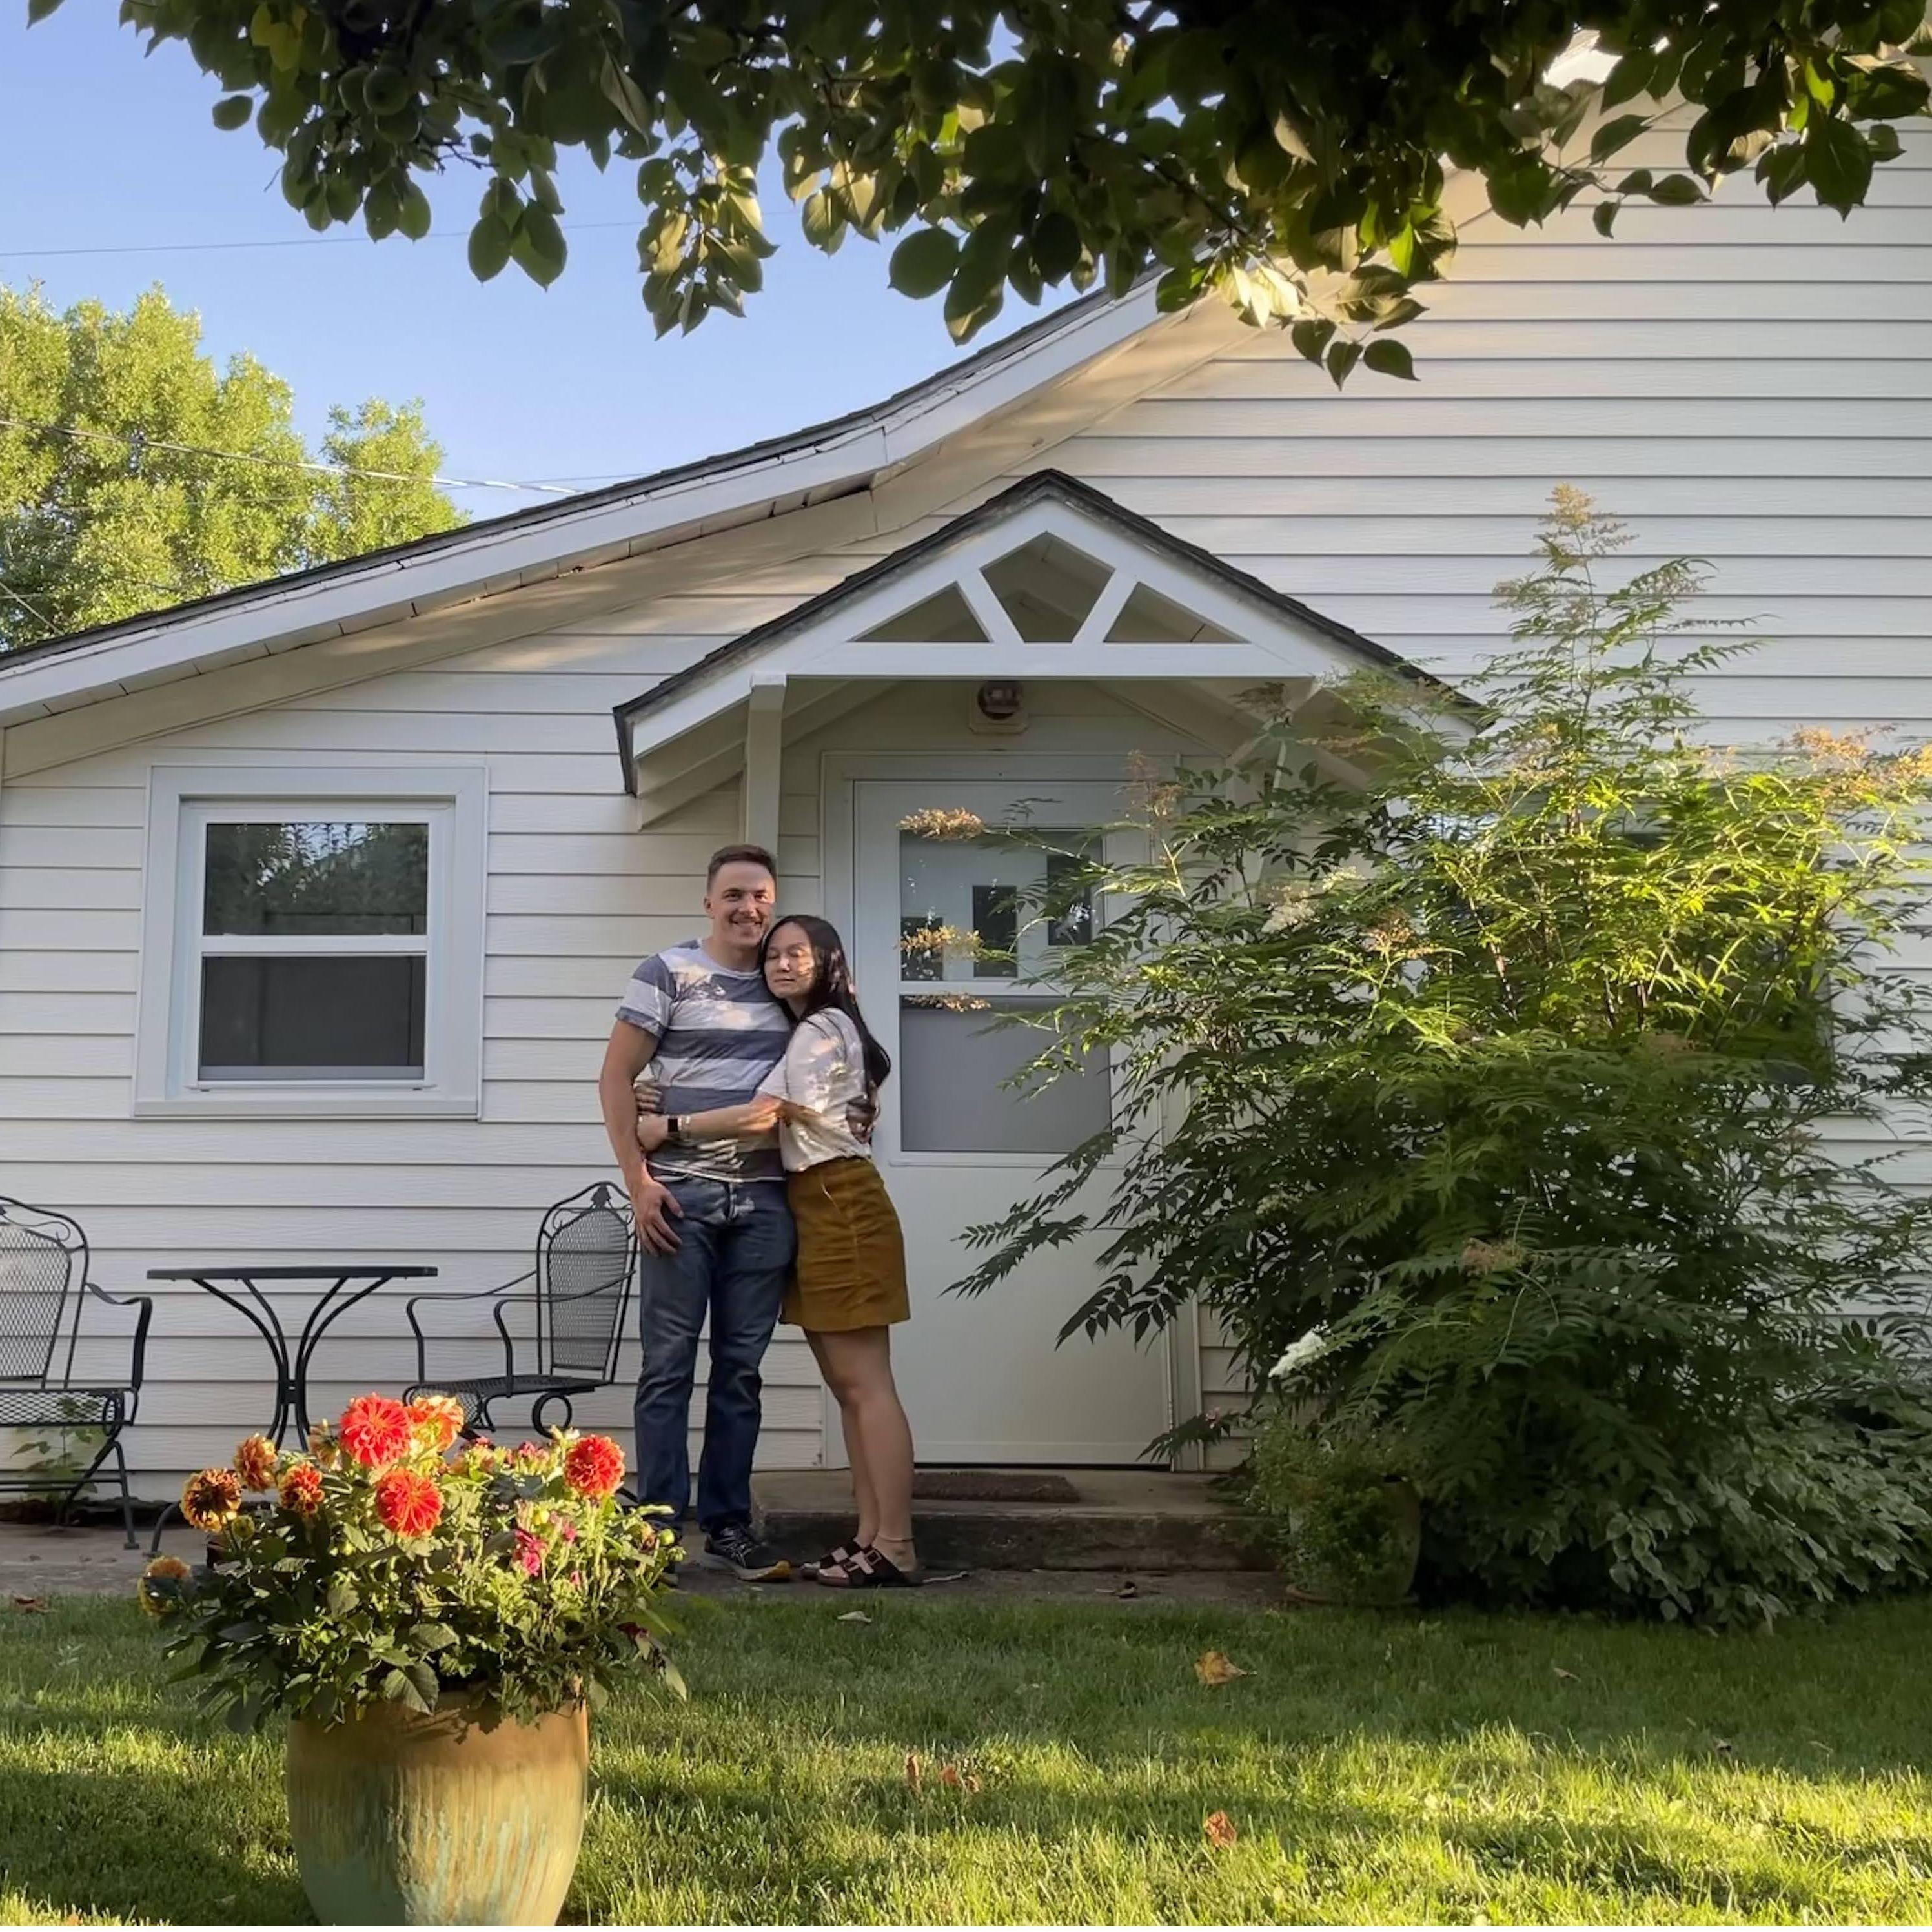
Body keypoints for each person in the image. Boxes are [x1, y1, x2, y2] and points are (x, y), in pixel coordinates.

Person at [636, 913, 921, 1587]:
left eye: (800, 952)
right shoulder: (815, 1030)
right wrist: (654, 1090)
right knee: (850, 1389)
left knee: (866, 1385)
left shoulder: (822, 1029)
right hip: (816, 1203)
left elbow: (765, 1114)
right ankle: (869, 1537)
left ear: (830, 962)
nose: (783, 963)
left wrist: (666, 1125)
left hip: (840, 1204)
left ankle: (898, 1542)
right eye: (774, 955)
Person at [598, 844, 795, 1582]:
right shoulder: (668, 973)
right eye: (735, 894)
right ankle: (655, 1528)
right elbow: (617, 1075)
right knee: (668, 1367)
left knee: (740, 1371)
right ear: (708, 901)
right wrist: (636, 1180)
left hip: (766, 1201)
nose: (749, 908)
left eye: (760, 896)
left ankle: (726, 1524)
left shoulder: (788, 980)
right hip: (677, 1198)